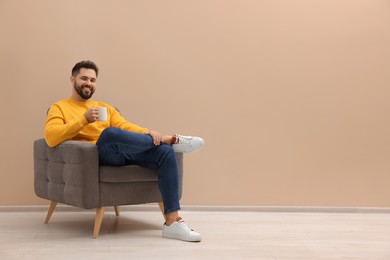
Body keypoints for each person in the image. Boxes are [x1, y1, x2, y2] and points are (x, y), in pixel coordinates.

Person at [44, 60, 204, 242]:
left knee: (165, 153)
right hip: (98, 157)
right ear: (72, 79)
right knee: (110, 134)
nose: (89, 83)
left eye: (93, 80)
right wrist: (83, 120)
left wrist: (147, 132)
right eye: (84, 78)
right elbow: (51, 136)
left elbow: (124, 126)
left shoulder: (105, 107)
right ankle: (171, 139)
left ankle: (172, 223)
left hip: (124, 153)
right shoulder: (59, 107)